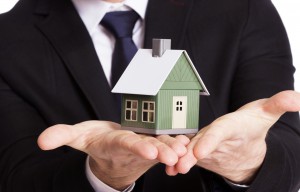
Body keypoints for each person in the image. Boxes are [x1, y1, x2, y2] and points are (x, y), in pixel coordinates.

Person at [1, 0, 300, 191]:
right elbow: (16, 178)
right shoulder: (8, 38)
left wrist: (248, 161)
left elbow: (289, 153)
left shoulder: (242, 8)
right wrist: (100, 175)